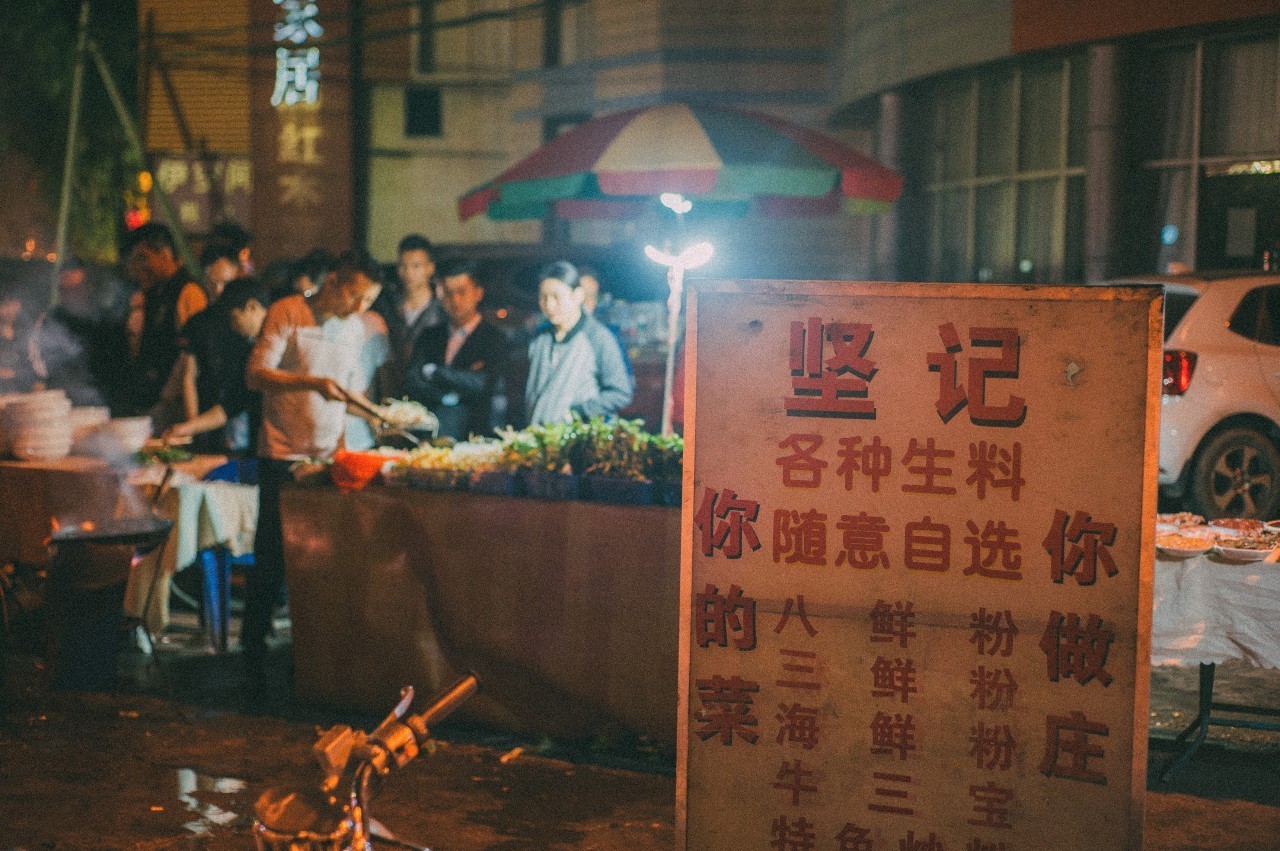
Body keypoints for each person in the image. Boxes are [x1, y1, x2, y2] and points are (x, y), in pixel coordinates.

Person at [242, 249, 384, 679]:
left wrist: (383, 418)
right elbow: (255, 374)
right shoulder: (289, 311)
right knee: (272, 555)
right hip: (282, 455)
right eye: (357, 297)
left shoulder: (355, 328)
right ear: (336, 282)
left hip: (329, 458)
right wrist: (311, 383)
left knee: (324, 559)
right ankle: (252, 651)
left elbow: (349, 395)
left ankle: (314, 648)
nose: (361, 309)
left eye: (369, 302)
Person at [402, 259, 510, 441]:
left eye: (461, 292)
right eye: (448, 294)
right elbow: (412, 381)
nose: (455, 300)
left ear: (478, 293)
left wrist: (436, 373)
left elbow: (488, 384)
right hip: (429, 436)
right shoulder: (429, 336)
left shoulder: (494, 338)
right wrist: (446, 396)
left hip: (475, 436)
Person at [162, 277, 269, 454]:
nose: (234, 327)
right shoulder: (253, 348)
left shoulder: (276, 344)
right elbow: (233, 403)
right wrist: (189, 428)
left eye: (235, 318)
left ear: (252, 307)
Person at [525, 260, 633, 425]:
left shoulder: (598, 337)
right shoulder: (541, 337)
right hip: (541, 438)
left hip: (581, 440)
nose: (549, 305)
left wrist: (577, 412)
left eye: (556, 297)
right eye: (543, 297)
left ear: (577, 295)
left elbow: (621, 392)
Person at [120, 222, 207, 417]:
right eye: (134, 261)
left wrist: (165, 403)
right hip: (150, 403)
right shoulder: (152, 293)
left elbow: (191, 358)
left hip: (173, 409)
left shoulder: (188, 292)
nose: (138, 267)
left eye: (143, 258)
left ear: (166, 253)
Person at [373, 234, 443, 397]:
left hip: (429, 392)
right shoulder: (386, 306)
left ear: (430, 268)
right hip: (390, 389)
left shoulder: (441, 310)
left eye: (416, 266)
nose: (408, 273)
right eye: (403, 266)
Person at [0, 288, 39, 394]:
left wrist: (12, 374)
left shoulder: (27, 333)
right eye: (5, 305)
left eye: (14, 304)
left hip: (23, 394)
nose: (9, 310)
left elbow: (35, 370)